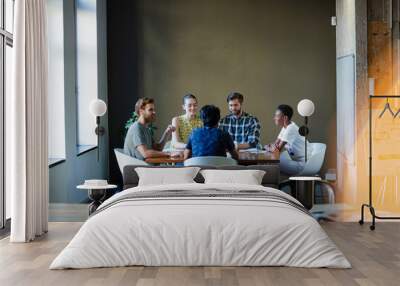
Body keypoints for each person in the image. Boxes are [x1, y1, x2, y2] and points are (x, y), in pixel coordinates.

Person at [264, 104, 312, 175]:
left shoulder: (290, 129)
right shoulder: (286, 127)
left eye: (277, 116)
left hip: (304, 164)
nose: (274, 118)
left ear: (285, 118)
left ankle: (273, 185)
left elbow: (277, 150)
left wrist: (267, 147)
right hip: (296, 160)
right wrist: (272, 147)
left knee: (271, 165)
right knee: (269, 163)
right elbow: (275, 144)